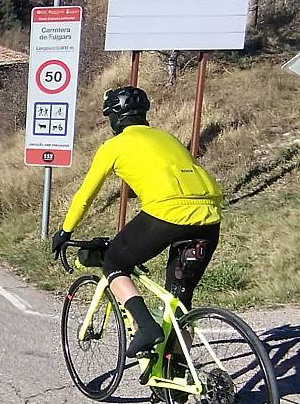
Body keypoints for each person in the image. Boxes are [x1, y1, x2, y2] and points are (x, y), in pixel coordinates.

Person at [51, 86, 224, 361]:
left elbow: (85, 196)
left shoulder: (113, 147)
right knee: (179, 303)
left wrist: (65, 231)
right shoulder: (167, 138)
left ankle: (145, 327)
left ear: (115, 117)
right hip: (209, 217)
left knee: (114, 263)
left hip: (167, 213)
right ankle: (177, 372)